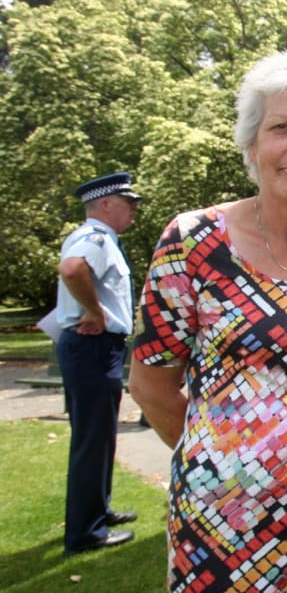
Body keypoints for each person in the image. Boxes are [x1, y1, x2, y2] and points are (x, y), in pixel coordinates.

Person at [129, 51, 287, 591]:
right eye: (281, 127)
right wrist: (225, 461)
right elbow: (150, 385)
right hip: (221, 529)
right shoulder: (192, 243)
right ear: (252, 142)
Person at [56, 172, 142, 555]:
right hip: (92, 347)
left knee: (100, 435)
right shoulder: (95, 239)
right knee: (93, 440)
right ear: (106, 204)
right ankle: (85, 533)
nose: (134, 211)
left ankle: (98, 510)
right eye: (129, 203)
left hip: (91, 349)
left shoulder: (97, 238)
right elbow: (73, 270)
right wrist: (96, 312)